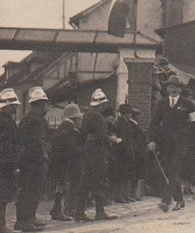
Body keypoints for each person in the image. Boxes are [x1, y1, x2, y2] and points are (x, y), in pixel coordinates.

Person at [147, 74, 195, 212]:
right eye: (171, 87)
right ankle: (179, 199)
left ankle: (166, 201)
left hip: (182, 143)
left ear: (180, 90)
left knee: (174, 170)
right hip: (165, 143)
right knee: (168, 171)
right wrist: (152, 140)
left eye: (176, 87)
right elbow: (154, 123)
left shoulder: (188, 105)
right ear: (167, 89)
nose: (173, 90)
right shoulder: (162, 104)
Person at [74, 89, 118, 221]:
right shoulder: (98, 117)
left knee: (85, 181)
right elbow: (101, 136)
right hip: (97, 152)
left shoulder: (87, 115)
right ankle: (100, 211)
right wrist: (111, 140)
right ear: (102, 105)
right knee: (100, 180)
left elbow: (81, 135)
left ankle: (79, 211)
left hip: (87, 151)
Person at [14, 86, 51, 232]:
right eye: (44, 104)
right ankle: (25, 221)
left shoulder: (28, 119)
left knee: (30, 190)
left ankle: (29, 218)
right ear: (40, 104)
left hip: (27, 160)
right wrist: (44, 155)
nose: (46, 107)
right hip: (34, 162)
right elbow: (37, 142)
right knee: (31, 190)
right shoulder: (36, 121)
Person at [48, 103, 83, 221]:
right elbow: (69, 147)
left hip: (59, 161)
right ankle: (62, 209)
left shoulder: (63, 126)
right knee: (64, 185)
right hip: (64, 162)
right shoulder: (69, 127)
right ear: (76, 118)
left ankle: (56, 209)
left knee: (60, 185)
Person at [0, 88, 22, 233]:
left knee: (3, 194)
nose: (16, 108)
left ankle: (0, 225)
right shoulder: (4, 123)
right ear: (7, 106)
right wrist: (12, 165)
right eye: (13, 105)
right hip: (4, 164)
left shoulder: (5, 122)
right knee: (2, 195)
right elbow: (6, 146)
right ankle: (0, 226)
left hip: (4, 163)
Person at [111, 104, 135, 203]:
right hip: (121, 153)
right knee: (120, 175)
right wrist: (125, 150)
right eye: (129, 113)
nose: (131, 115)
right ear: (125, 113)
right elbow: (120, 139)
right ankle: (119, 196)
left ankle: (125, 195)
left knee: (126, 174)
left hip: (127, 152)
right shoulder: (119, 123)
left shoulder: (126, 123)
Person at [128, 106, 148, 200]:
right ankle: (132, 194)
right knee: (134, 175)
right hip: (136, 153)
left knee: (136, 174)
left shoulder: (135, 126)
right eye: (138, 115)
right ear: (134, 116)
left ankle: (134, 193)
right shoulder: (132, 126)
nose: (140, 117)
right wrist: (139, 151)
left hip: (138, 153)